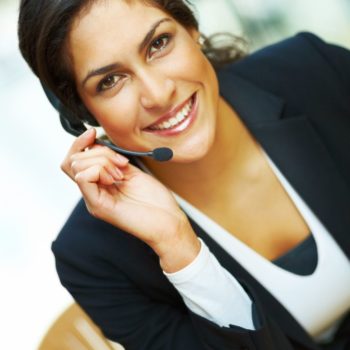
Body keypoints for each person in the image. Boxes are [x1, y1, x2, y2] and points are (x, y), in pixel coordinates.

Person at [18, 0, 350, 349]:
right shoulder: (94, 259)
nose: (159, 95)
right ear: (82, 112)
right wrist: (179, 248)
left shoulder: (314, 72)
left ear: (192, 31)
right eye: (111, 81)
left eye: (158, 44)